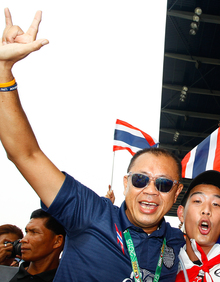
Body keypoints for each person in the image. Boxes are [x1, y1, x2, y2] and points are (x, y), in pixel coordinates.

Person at [0, 9, 185, 281]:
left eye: (164, 184)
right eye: (141, 179)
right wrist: (4, 72)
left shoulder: (180, 241)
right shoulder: (90, 213)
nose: (151, 191)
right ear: (125, 182)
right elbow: (25, 154)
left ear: (177, 192)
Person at [3, 209, 65, 282]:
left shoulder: (71, 277)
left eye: (34, 232)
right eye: (27, 232)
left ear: (57, 241)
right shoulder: (6, 276)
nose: (23, 239)